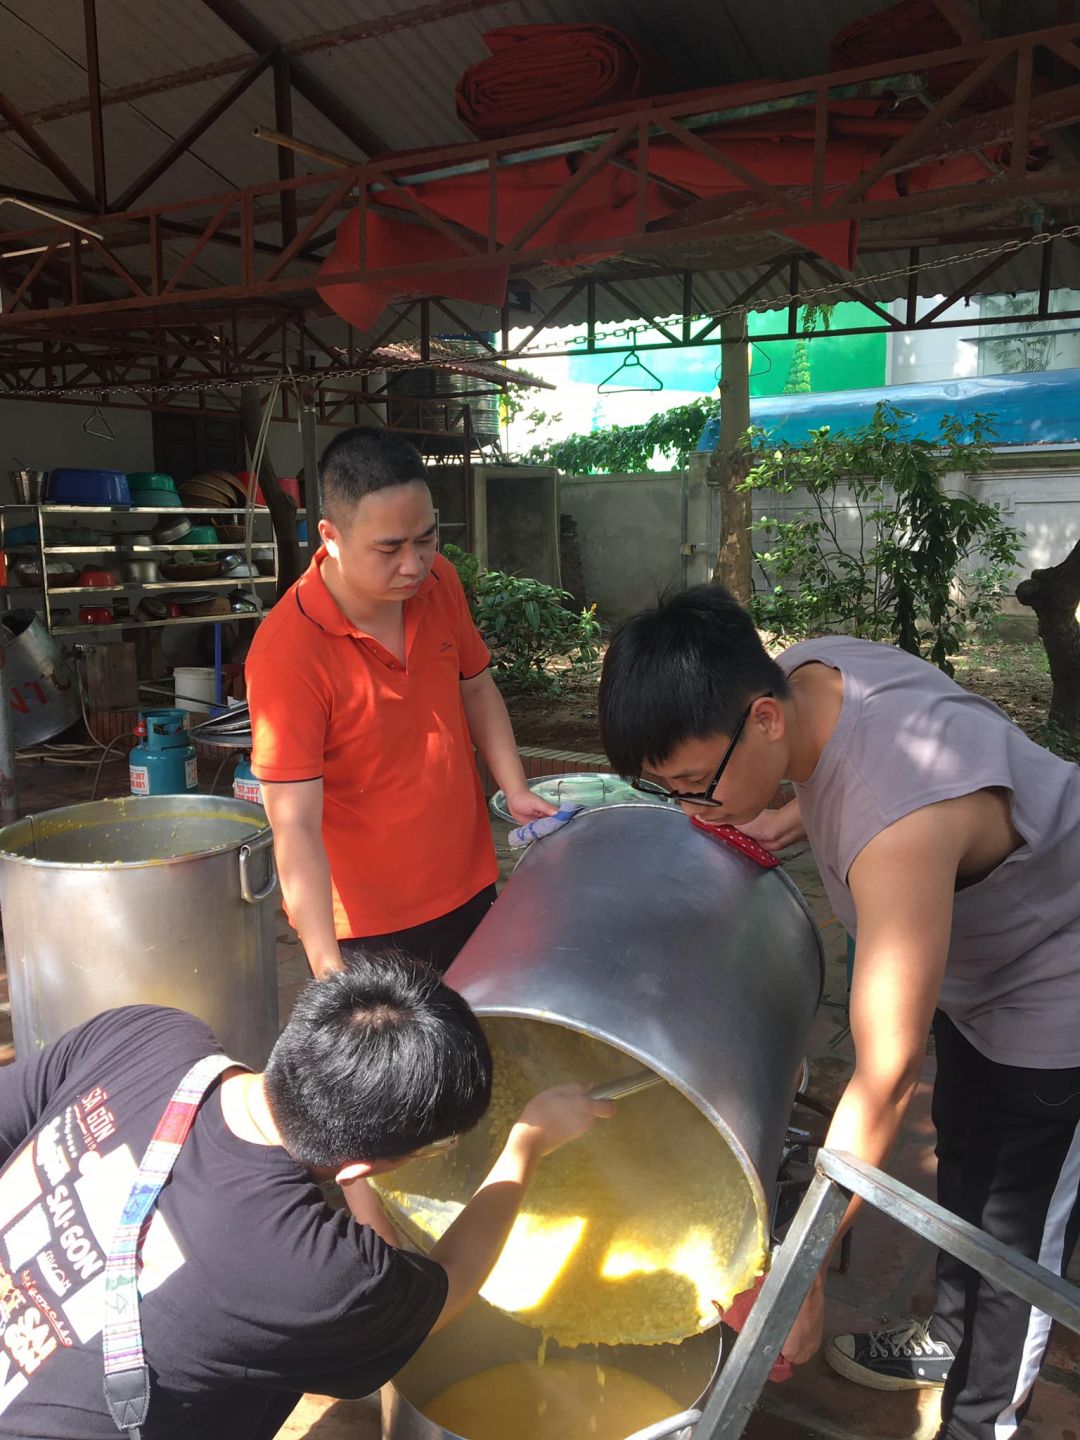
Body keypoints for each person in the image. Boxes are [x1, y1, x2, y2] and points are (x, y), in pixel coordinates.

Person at [598, 584, 1080, 1440]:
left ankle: (984, 1418)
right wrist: (787, 815)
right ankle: (953, 1337)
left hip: (1058, 982)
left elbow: (886, 1078)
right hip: (986, 962)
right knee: (968, 1155)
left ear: (762, 719)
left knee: (1015, 1230)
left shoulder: (898, 829)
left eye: (695, 784)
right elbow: (848, 774)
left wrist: (804, 1272)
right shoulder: (811, 673)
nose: (693, 807)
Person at [0, 950, 611, 1437]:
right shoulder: (312, 1273)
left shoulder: (148, 1034)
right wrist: (525, 1144)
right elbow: (447, 1289)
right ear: (363, 1167)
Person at [245, 426, 554, 978]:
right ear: (330, 537)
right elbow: (294, 825)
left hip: (468, 881)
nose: (414, 564)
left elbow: (476, 686)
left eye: (426, 538)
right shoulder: (288, 652)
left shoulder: (439, 583)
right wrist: (327, 969)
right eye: (389, 548)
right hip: (367, 927)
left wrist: (515, 788)